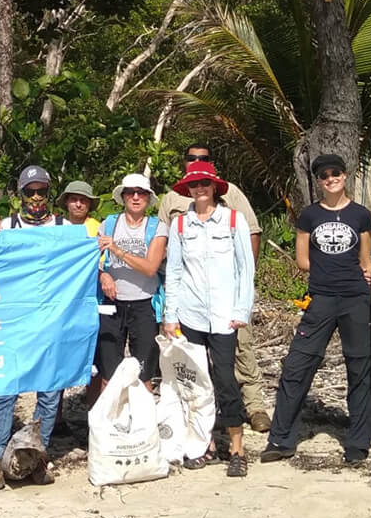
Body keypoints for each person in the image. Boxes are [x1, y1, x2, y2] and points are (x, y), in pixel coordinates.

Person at [261, 154, 371, 466]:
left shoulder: (361, 215)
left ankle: (358, 442)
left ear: (345, 175)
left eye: (335, 172)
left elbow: (366, 258)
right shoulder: (310, 215)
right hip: (321, 298)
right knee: (297, 365)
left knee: (360, 368)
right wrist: (326, 271)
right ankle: (281, 439)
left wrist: (363, 278)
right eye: (324, 175)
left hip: (355, 299)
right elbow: (302, 259)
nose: (330, 178)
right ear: (318, 181)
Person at [160, 143, 272, 431]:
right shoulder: (171, 199)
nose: (199, 185)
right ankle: (204, 420)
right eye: (192, 159)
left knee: (241, 352)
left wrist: (241, 286)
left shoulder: (230, 193)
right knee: (194, 364)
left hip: (226, 298)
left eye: (204, 160)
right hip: (191, 299)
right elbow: (165, 244)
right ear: (184, 163)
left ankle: (254, 405)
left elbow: (252, 233)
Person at [0, 166, 62, 494]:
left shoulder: (64, 228)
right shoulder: (5, 226)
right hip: (14, 321)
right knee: (6, 390)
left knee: (49, 393)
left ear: (49, 193)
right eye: (29, 191)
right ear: (20, 194)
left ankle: (37, 457)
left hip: (50, 320)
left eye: (41, 191)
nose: (36, 197)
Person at [161, 161, 255, 477]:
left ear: (214, 186)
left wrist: (241, 310)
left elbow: (245, 269)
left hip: (224, 316)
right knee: (196, 382)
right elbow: (173, 272)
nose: (199, 189)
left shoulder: (232, 220)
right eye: (193, 185)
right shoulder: (181, 225)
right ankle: (204, 445)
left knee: (226, 379)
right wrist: (170, 316)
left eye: (204, 183)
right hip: (190, 315)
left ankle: (237, 447)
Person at [95, 172, 169, 391]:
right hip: (111, 304)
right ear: (123, 196)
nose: (136, 197)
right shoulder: (108, 224)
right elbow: (94, 262)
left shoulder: (157, 227)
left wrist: (117, 250)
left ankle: (142, 422)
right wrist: (103, 275)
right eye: (131, 193)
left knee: (144, 372)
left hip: (145, 304)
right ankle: (109, 422)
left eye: (141, 193)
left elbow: (150, 267)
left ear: (148, 198)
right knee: (108, 372)